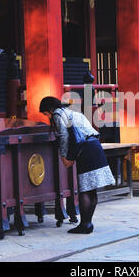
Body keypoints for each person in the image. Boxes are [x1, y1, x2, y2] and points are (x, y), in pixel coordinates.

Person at [39, 96, 115, 234]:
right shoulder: (73, 112)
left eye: (45, 114)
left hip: (84, 150)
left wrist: (65, 156)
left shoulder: (57, 114)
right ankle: (88, 223)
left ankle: (85, 224)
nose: (47, 117)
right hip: (94, 146)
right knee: (92, 189)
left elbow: (64, 136)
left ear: (50, 109)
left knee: (84, 189)